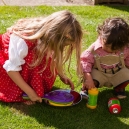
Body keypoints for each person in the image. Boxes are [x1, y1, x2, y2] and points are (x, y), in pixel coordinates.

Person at [0, 10, 83, 105]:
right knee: (31, 58)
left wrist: (61, 75)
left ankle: (29, 86)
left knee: (38, 58)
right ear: (54, 37)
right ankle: (22, 90)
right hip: (8, 68)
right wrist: (30, 93)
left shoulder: (48, 35)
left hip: (23, 61)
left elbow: (52, 56)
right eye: (64, 45)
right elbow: (11, 69)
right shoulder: (23, 41)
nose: (63, 48)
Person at [80, 17, 129, 99]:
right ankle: (86, 89)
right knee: (90, 76)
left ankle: (119, 88)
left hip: (116, 72)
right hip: (99, 74)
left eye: (115, 49)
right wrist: (88, 78)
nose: (110, 50)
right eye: (107, 46)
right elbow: (85, 63)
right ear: (101, 36)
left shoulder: (126, 48)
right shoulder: (93, 50)